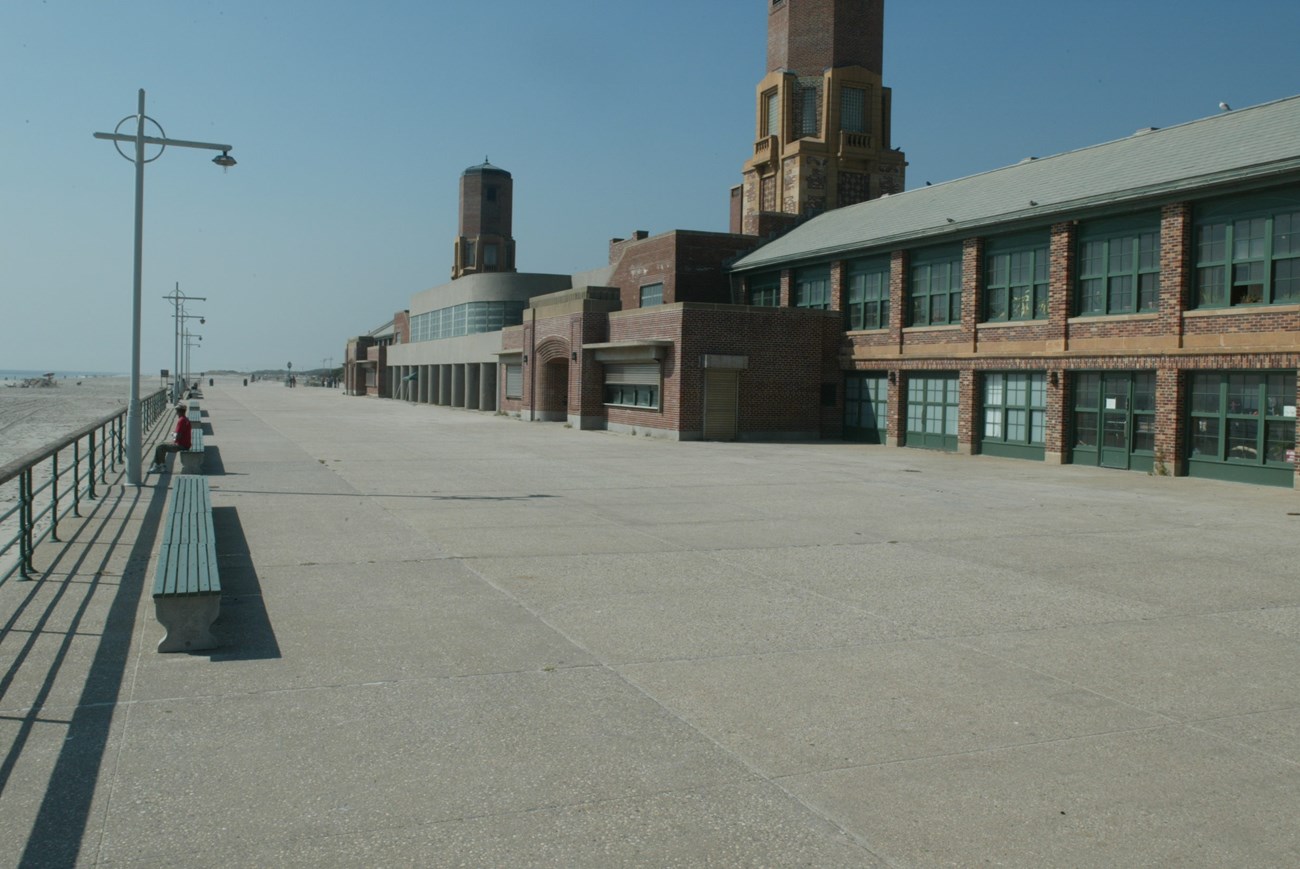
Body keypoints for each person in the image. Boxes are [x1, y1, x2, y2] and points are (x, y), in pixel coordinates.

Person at [150, 405, 192, 473]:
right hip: (186, 444)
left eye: (177, 411)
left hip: (182, 445)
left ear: (179, 411)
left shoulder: (181, 420)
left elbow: (178, 436)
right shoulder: (185, 419)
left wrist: (173, 435)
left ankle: (158, 466)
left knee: (160, 447)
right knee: (161, 446)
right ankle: (161, 465)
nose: (176, 413)